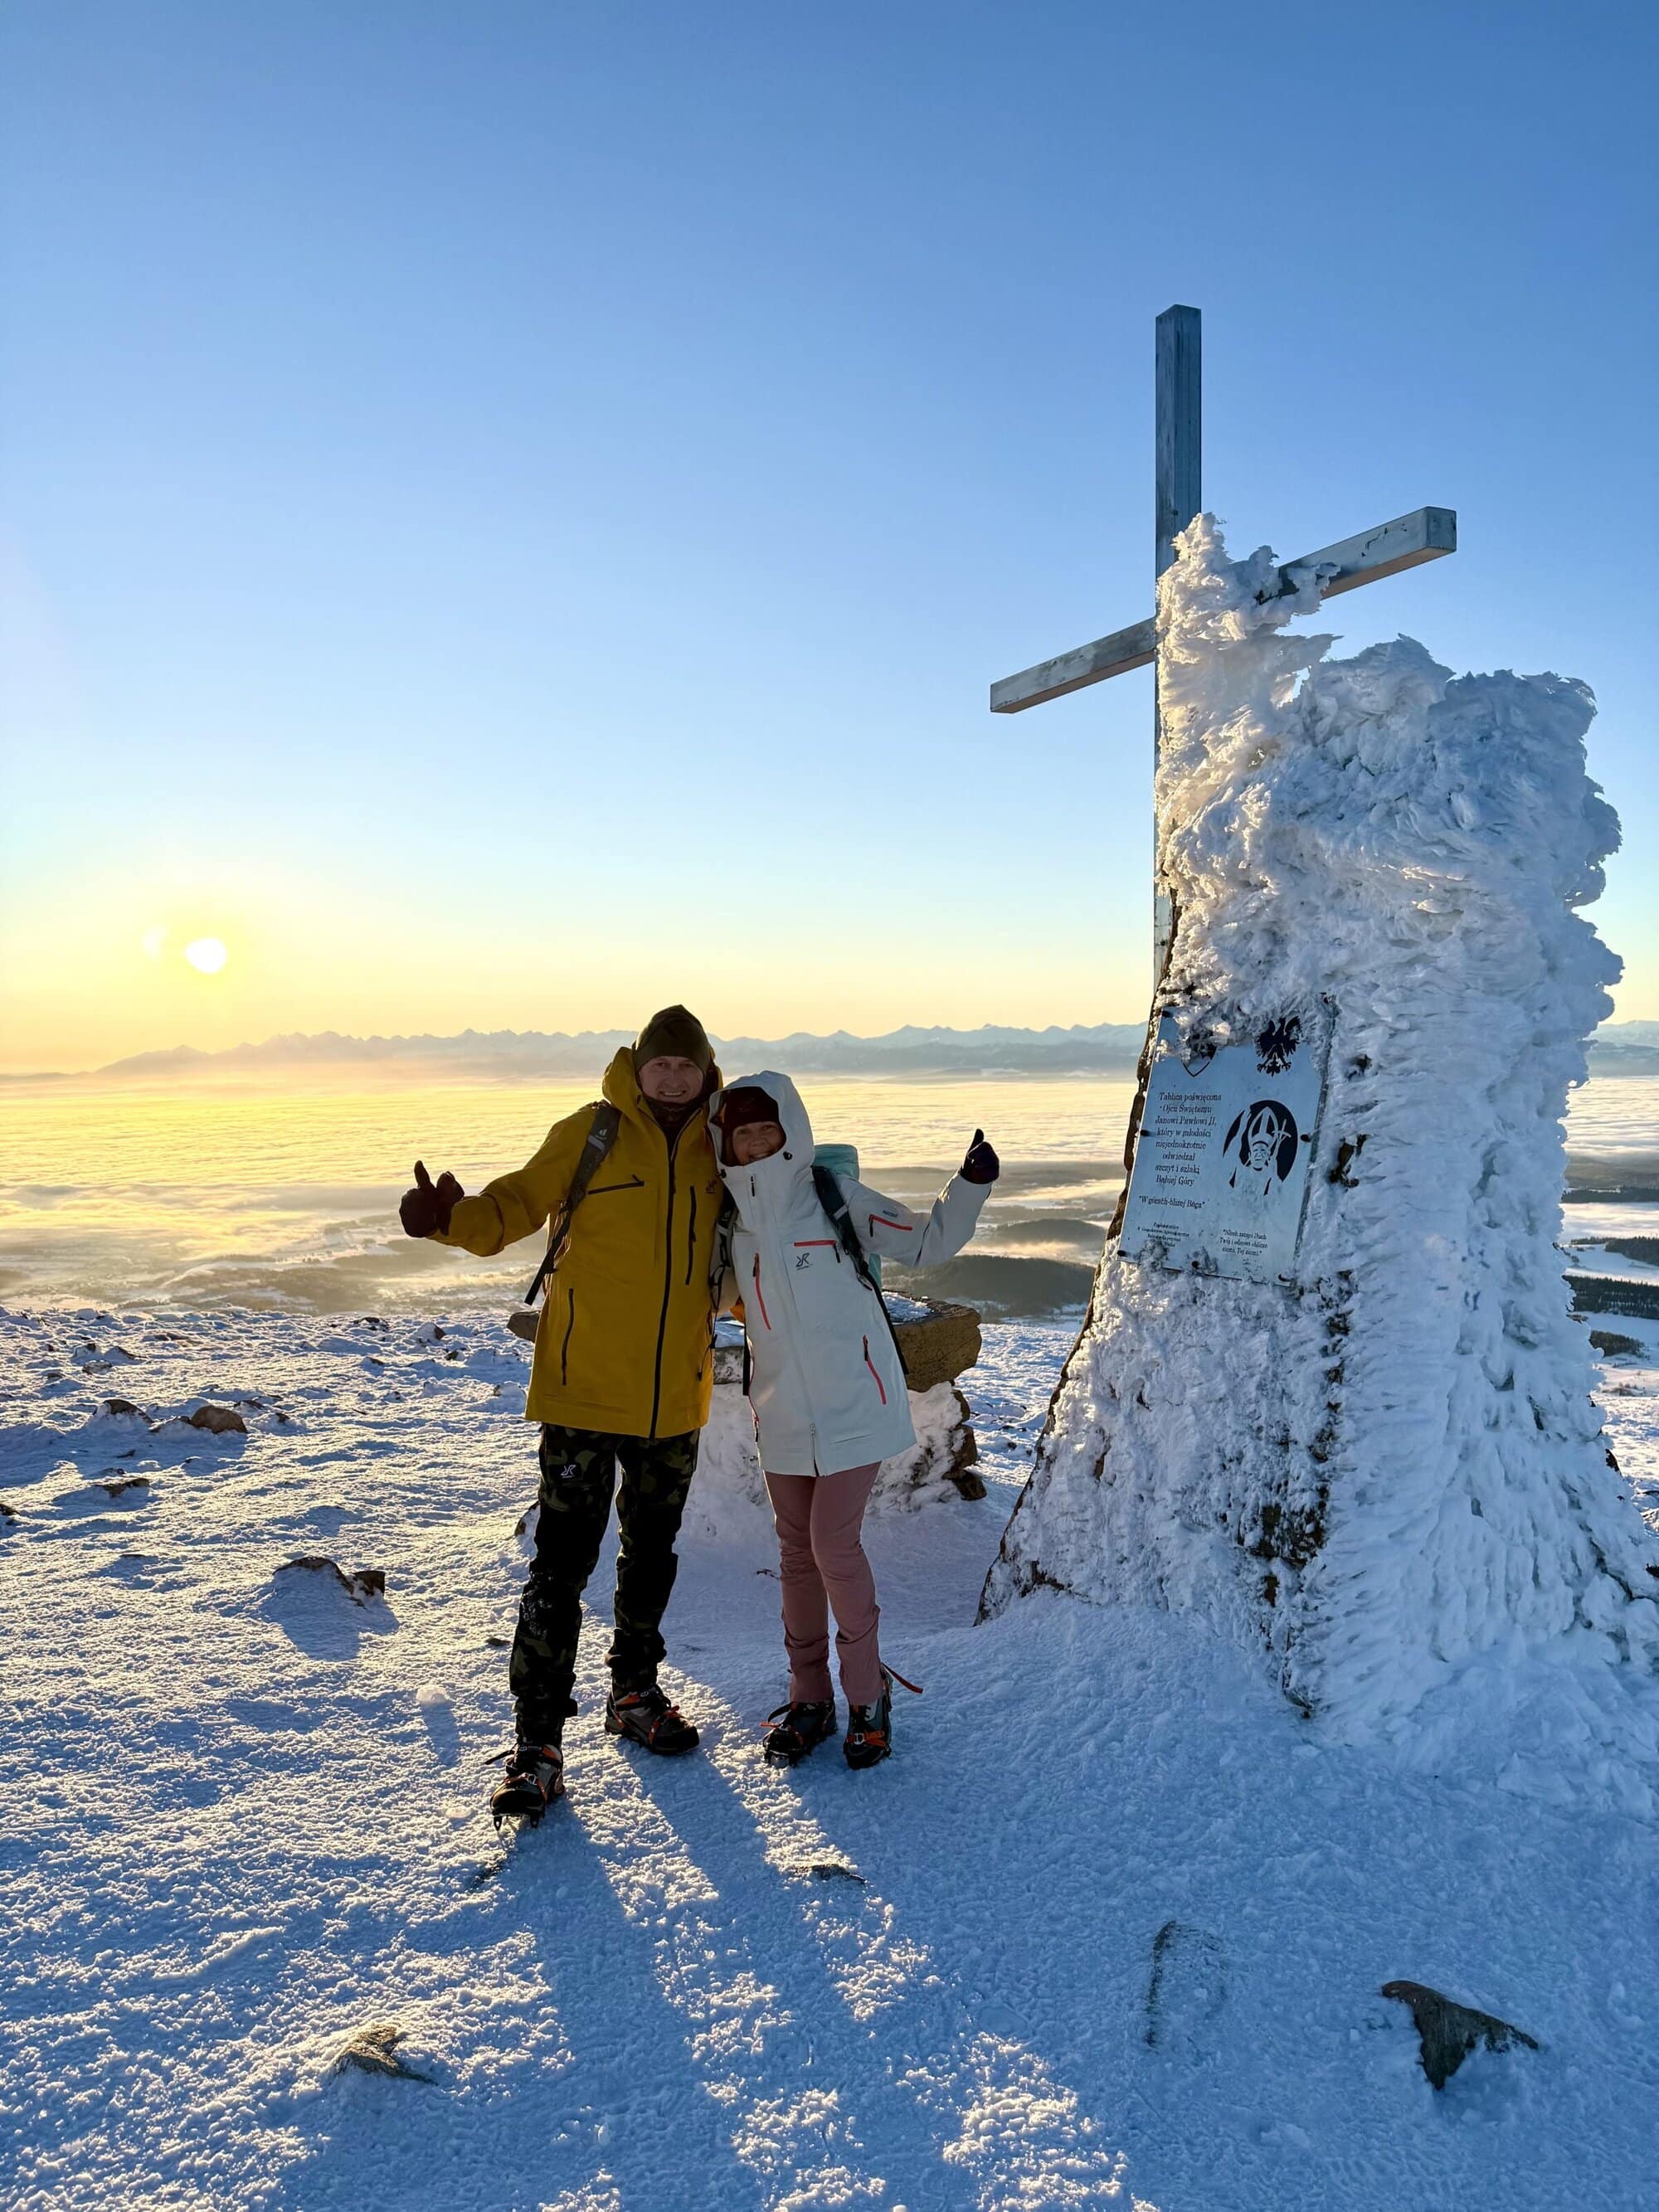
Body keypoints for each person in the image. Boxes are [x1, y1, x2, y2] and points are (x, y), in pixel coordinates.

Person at [398, 1006, 726, 1829]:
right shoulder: (592, 1133)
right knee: (561, 1569)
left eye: (688, 1067)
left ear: (705, 1070)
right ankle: (537, 1745)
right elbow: (510, 1207)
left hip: (673, 1400)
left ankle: (633, 1692)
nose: (675, 1078)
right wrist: (450, 1220)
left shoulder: (720, 1145)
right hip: (582, 1395)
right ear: (638, 1066)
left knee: (651, 1556)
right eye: (663, 1065)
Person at [711, 1072, 999, 1770]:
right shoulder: (729, 1223)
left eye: (765, 1129)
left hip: (855, 1406)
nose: (753, 1142)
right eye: (740, 1132)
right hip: (781, 1414)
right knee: (794, 1554)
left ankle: (868, 1697)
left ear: (790, 1131)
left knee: (831, 1545)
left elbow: (925, 1242)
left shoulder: (831, 1196)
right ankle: (810, 1698)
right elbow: (706, 1299)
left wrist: (969, 1185)